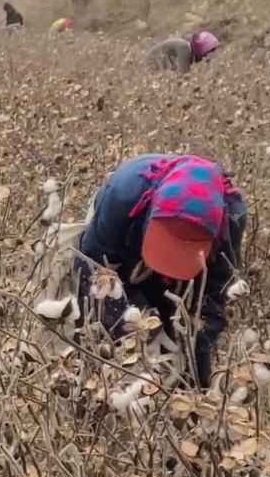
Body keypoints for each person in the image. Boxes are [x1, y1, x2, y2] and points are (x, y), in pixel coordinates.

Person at [72, 154, 247, 388]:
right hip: (126, 230)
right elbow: (90, 267)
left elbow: (212, 296)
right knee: (98, 329)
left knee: (187, 357)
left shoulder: (231, 220)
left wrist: (191, 356)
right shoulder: (123, 193)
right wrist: (132, 325)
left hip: (183, 246)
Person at [147, 30, 221, 73]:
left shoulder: (187, 48)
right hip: (151, 66)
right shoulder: (184, 49)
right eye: (208, 53)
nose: (207, 56)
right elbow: (183, 74)